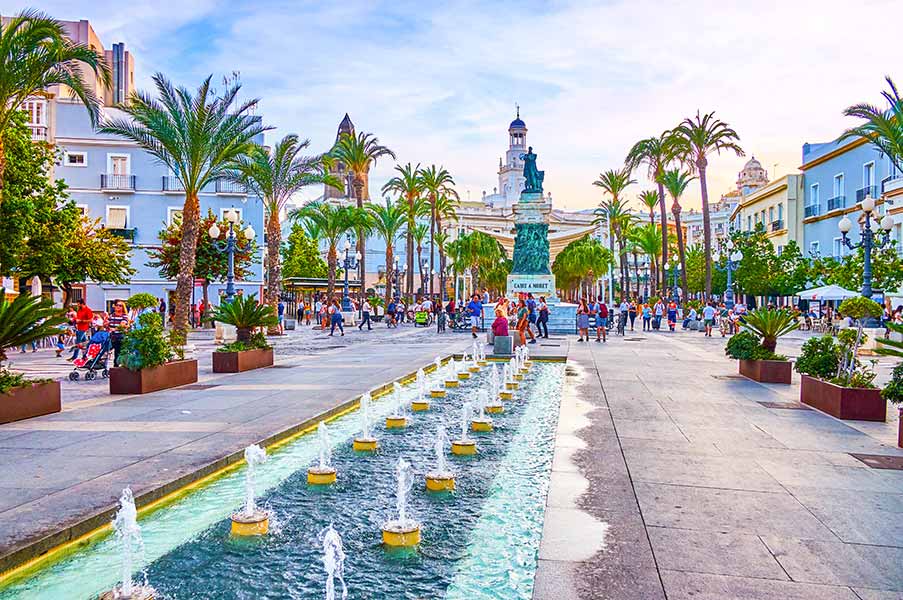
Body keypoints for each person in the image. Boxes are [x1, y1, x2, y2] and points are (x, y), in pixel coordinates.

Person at [107, 300, 131, 367]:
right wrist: (105, 324)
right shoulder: (112, 315)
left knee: (117, 353)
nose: (118, 306)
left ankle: (116, 367)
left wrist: (114, 329)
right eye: (117, 305)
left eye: (120, 305)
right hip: (111, 337)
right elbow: (107, 324)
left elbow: (122, 325)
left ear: (123, 307)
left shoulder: (124, 316)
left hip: (120, 337)